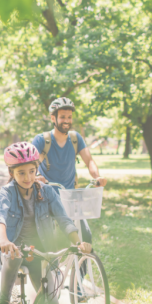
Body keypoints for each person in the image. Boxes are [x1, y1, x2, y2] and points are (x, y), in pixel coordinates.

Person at [0, 142, 92, 304]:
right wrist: (3, 241)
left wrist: (78, 242)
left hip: (39, 252)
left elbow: (64, 219)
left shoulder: (47, 192)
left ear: (37, 170)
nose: (27, 177)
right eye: (21, 173)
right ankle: (3, 301)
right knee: (14, 255)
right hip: (13, 248)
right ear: (11, 173)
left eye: (31, 171)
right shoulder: (7, 193)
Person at [31, 97, 107, 247]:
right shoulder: (42, 140)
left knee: (85, 235)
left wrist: (97, 176)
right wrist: (37, 176)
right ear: (53, 118)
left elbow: (89, 160)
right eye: (62, 117)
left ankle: (82, 268)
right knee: (47, 241)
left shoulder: (75, 138)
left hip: (70, 196)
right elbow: (33, 166)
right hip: (48, 197)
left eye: (69, 117)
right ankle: (48, 267)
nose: (67, 120)